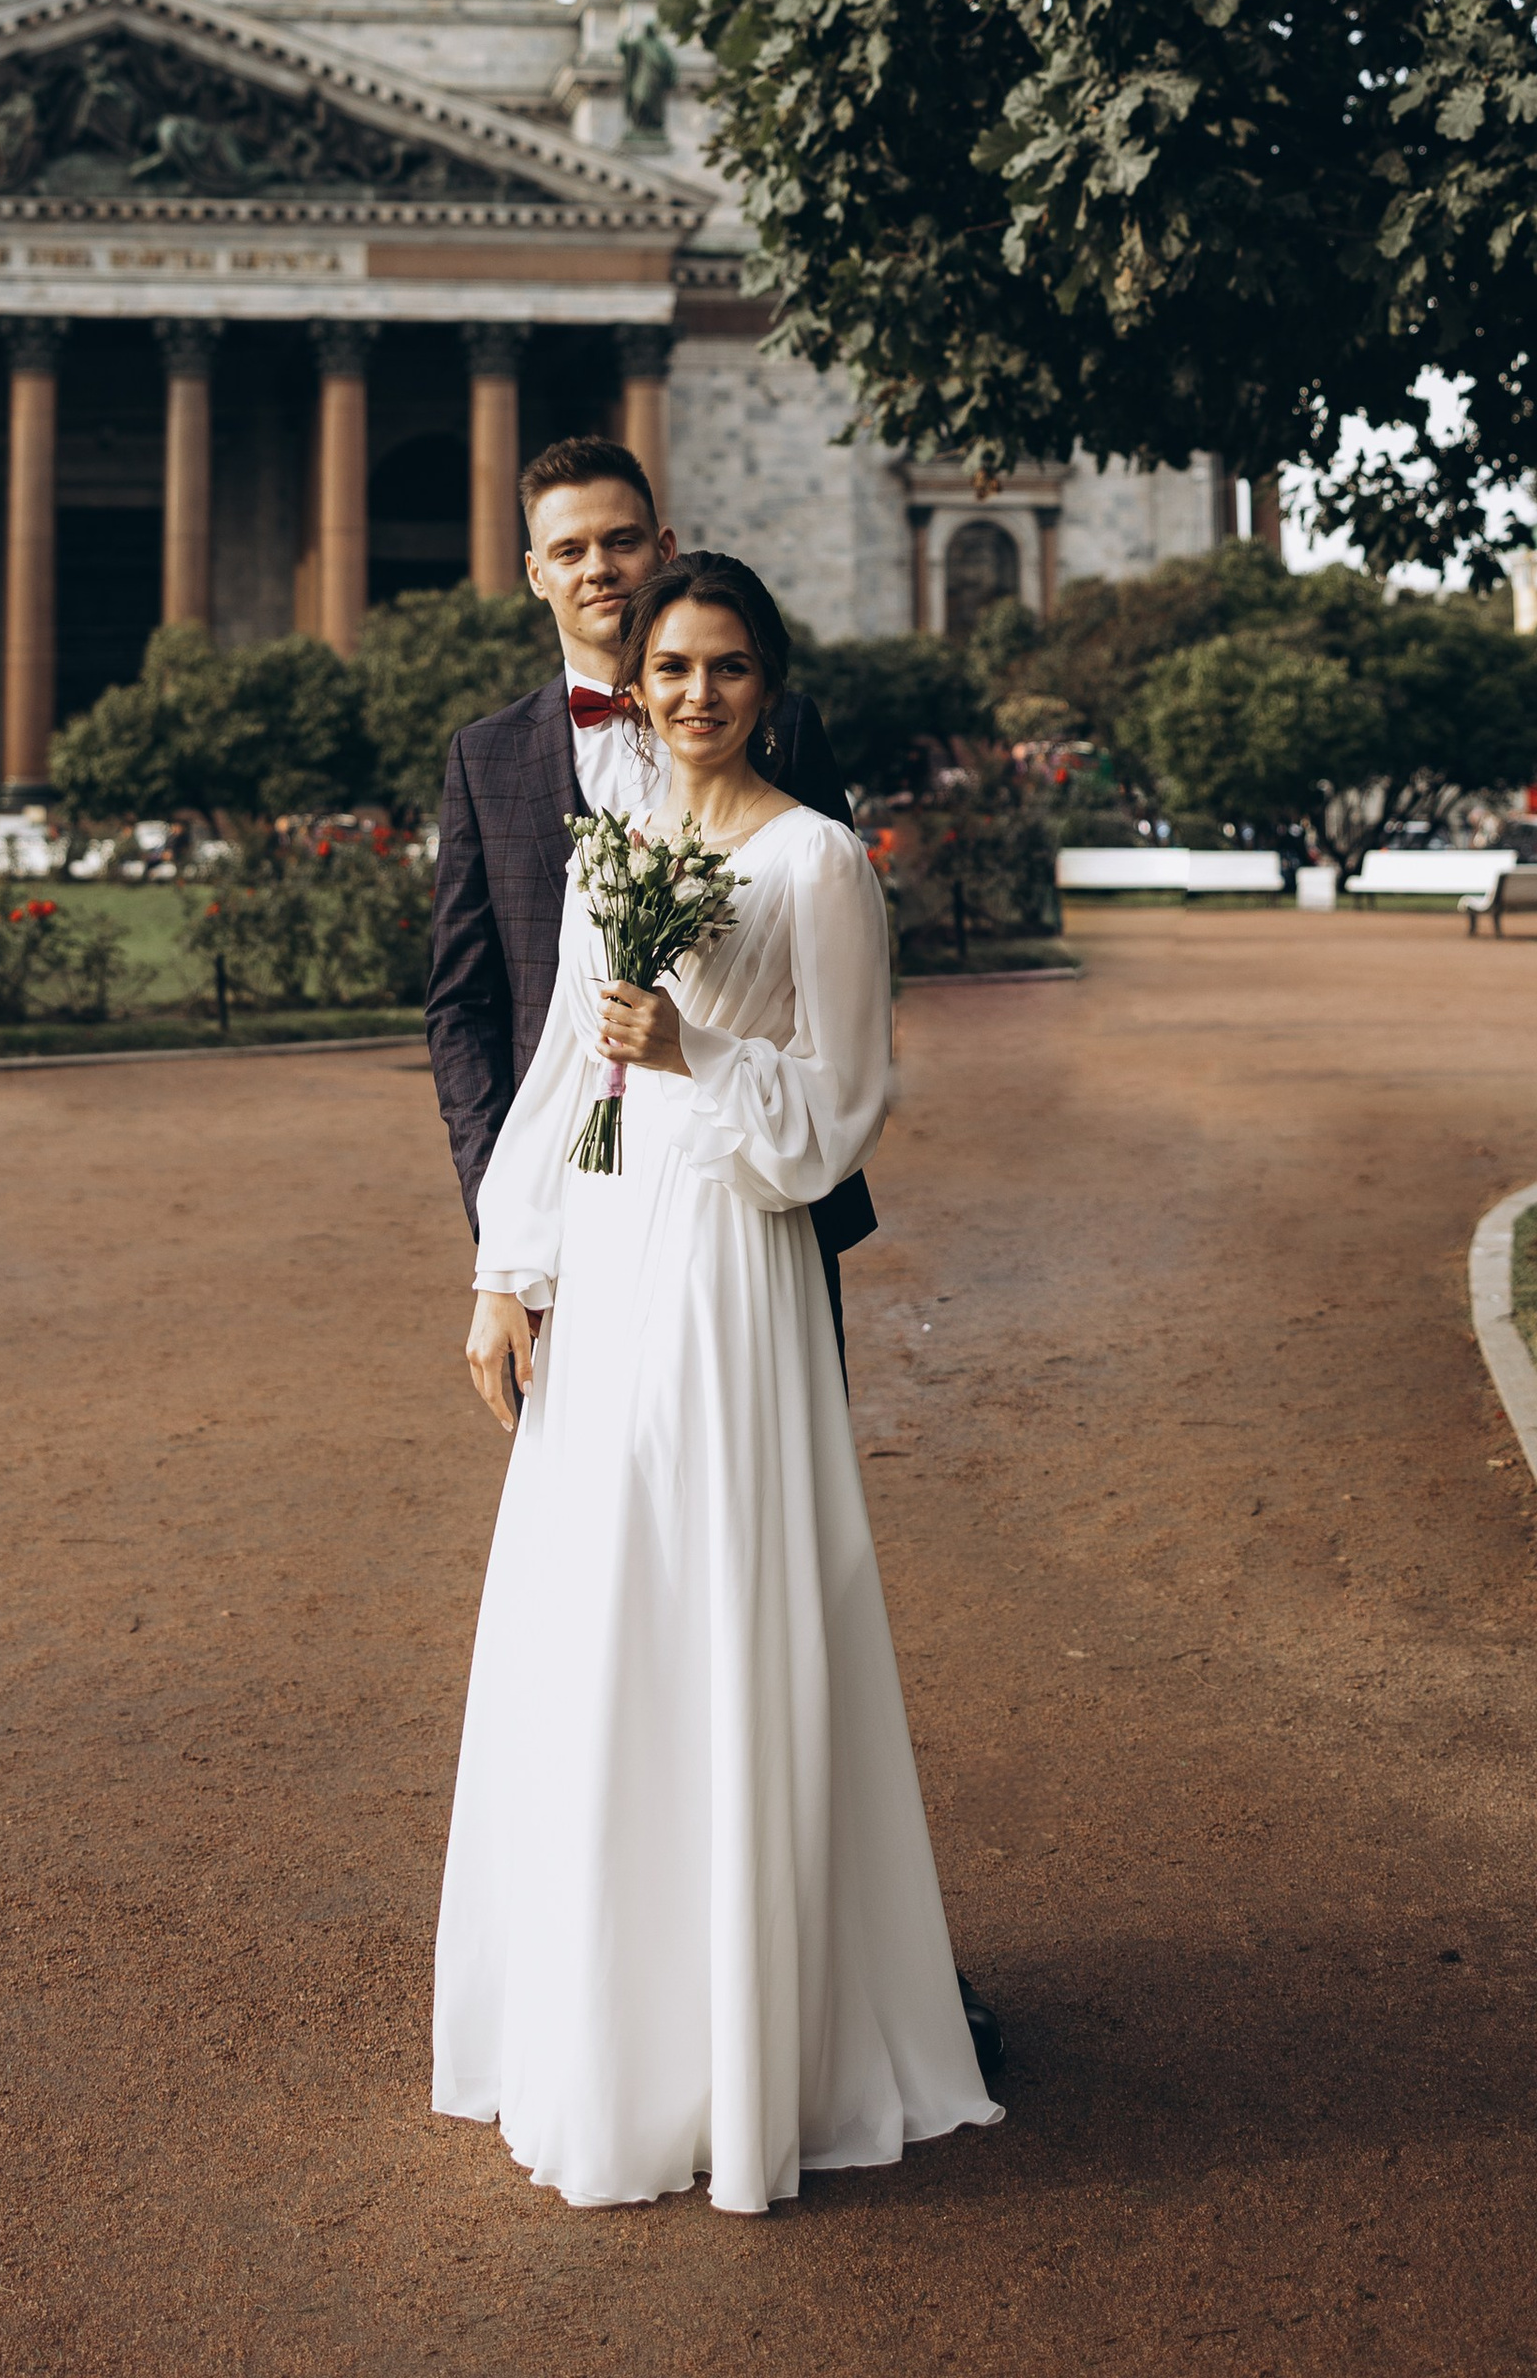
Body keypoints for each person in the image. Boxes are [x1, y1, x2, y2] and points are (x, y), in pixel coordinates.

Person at [433, 553, 1000, 2212]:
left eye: (730, 668)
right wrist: (507, 1269)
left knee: (717, 1590)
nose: (698, 695)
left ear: (769, 685)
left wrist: (697, 1052)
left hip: (731, 1253)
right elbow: (559, 1071)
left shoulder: (818, 859)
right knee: (600, 1603)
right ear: (643, 681)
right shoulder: (613, 844)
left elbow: (846, 1097)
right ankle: (608, 2023)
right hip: (610, 1254)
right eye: (674, 667)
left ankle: (759, 2041)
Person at [427, 435, 879, 1359]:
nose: (599, 567)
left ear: (663, 549)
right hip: (580, 1205)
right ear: (535, 574)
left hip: (761, 1197)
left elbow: (834, 968)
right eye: (569, 549)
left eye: (622, 541)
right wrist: (503, 1233)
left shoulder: (784, 727)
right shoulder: (485, 757)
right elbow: (465, 1009)